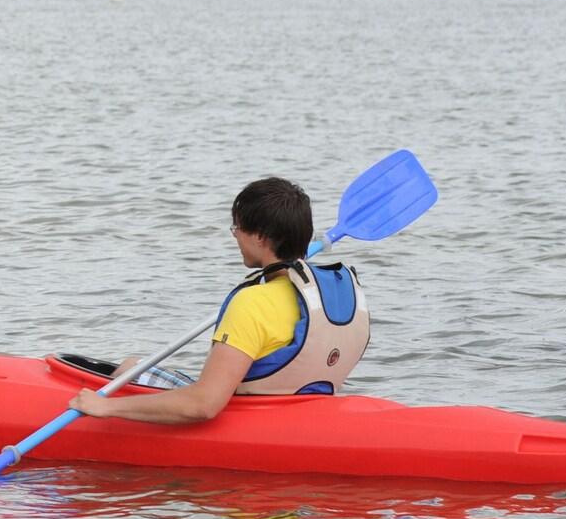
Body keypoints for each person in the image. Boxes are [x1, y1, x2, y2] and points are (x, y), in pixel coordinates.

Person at [66, 176, 369, 425]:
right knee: (135, 366)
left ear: (260, 237)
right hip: (303, 413)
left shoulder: (253, 303)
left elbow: (204, 405)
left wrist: (106, 407)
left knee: (128, 368)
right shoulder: (336, 293)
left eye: (237, 228)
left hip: (249, 418)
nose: (235, 236)